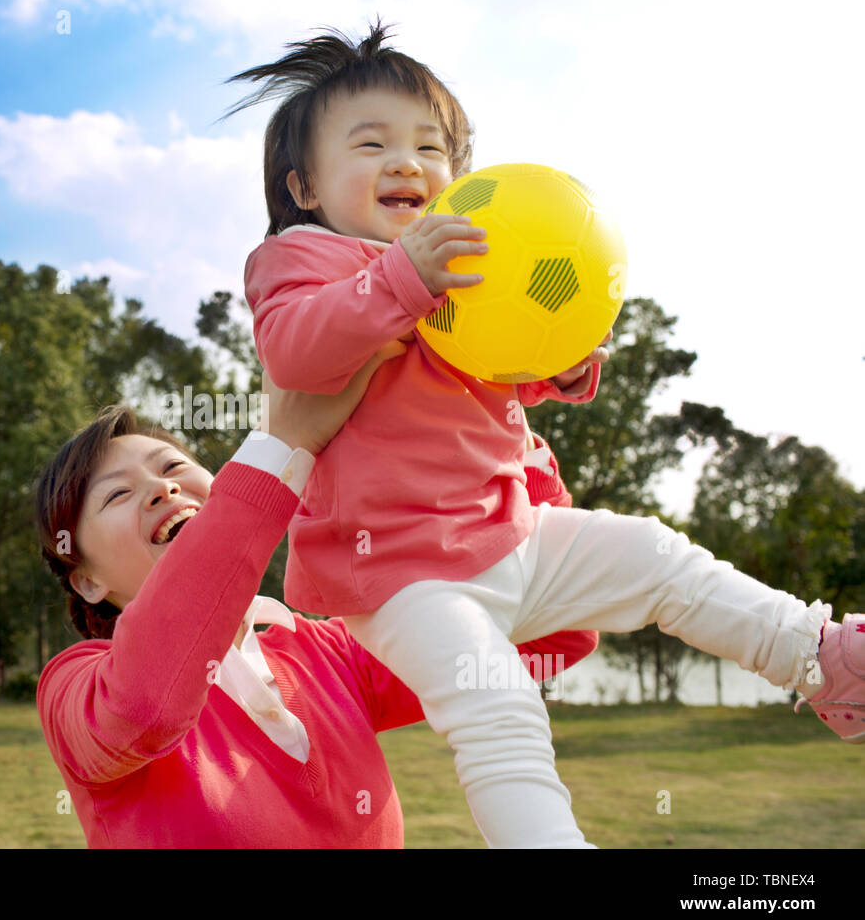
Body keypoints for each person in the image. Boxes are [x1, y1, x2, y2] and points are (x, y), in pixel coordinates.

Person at [223, 20, 864, 848]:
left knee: (658, 557)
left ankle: (822, 660)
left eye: (430, 145)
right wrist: (401, 277)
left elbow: (495, 364)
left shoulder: (469, 264)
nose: (407, 163)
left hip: (512, 532)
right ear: (304, 186)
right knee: (499, 708)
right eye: (371, 143)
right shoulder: (302, 258)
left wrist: (558, 366)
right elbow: (297, 349)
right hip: (402, 573)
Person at [33, 346, 599, 848]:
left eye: (173, 466)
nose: (164, 487)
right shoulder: (75, 689)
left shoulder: (334, 650)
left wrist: (510, 436)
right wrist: (283, 447)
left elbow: (553, 628)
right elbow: (143, 709)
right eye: (119, 495)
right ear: (85, 580)